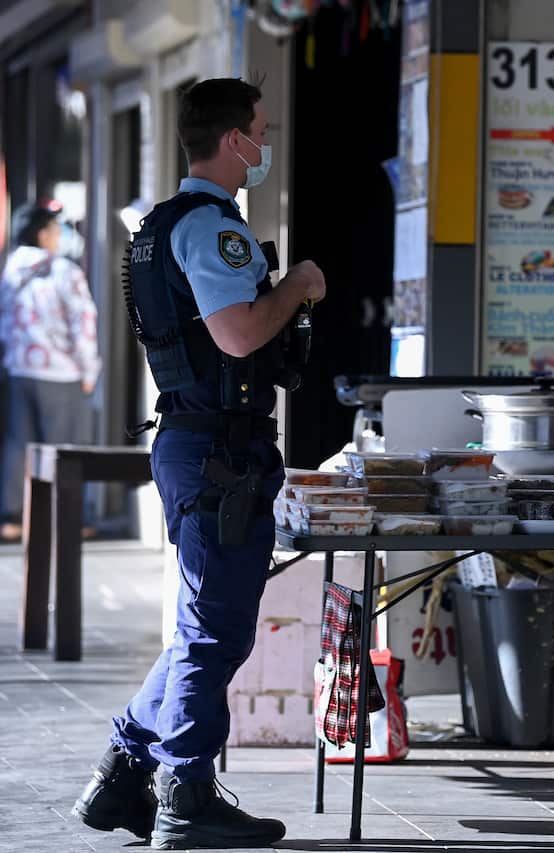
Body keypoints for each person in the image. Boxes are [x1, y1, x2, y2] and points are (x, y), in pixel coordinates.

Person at [72, 77, 326, 850]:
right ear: (232, 140)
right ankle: (184, 793)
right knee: (213, 631)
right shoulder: (216, 229)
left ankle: (122, 773)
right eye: (260, 129)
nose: (266, 143)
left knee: (205, 625)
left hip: (197, 440)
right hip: (221, 449)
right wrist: (299, 287)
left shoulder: (158, 224)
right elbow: (241, 335)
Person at [0, 199, 101, 541]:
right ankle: (68, 518)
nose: (59, 236)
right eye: (55, 230)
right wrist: (90, 370)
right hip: (61, 372)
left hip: (20, 369)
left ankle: (15, 518)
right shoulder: (64, 271)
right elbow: (83, 324)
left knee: (19, 444)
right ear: (42, 234)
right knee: (66, 448)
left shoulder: (11, 269)